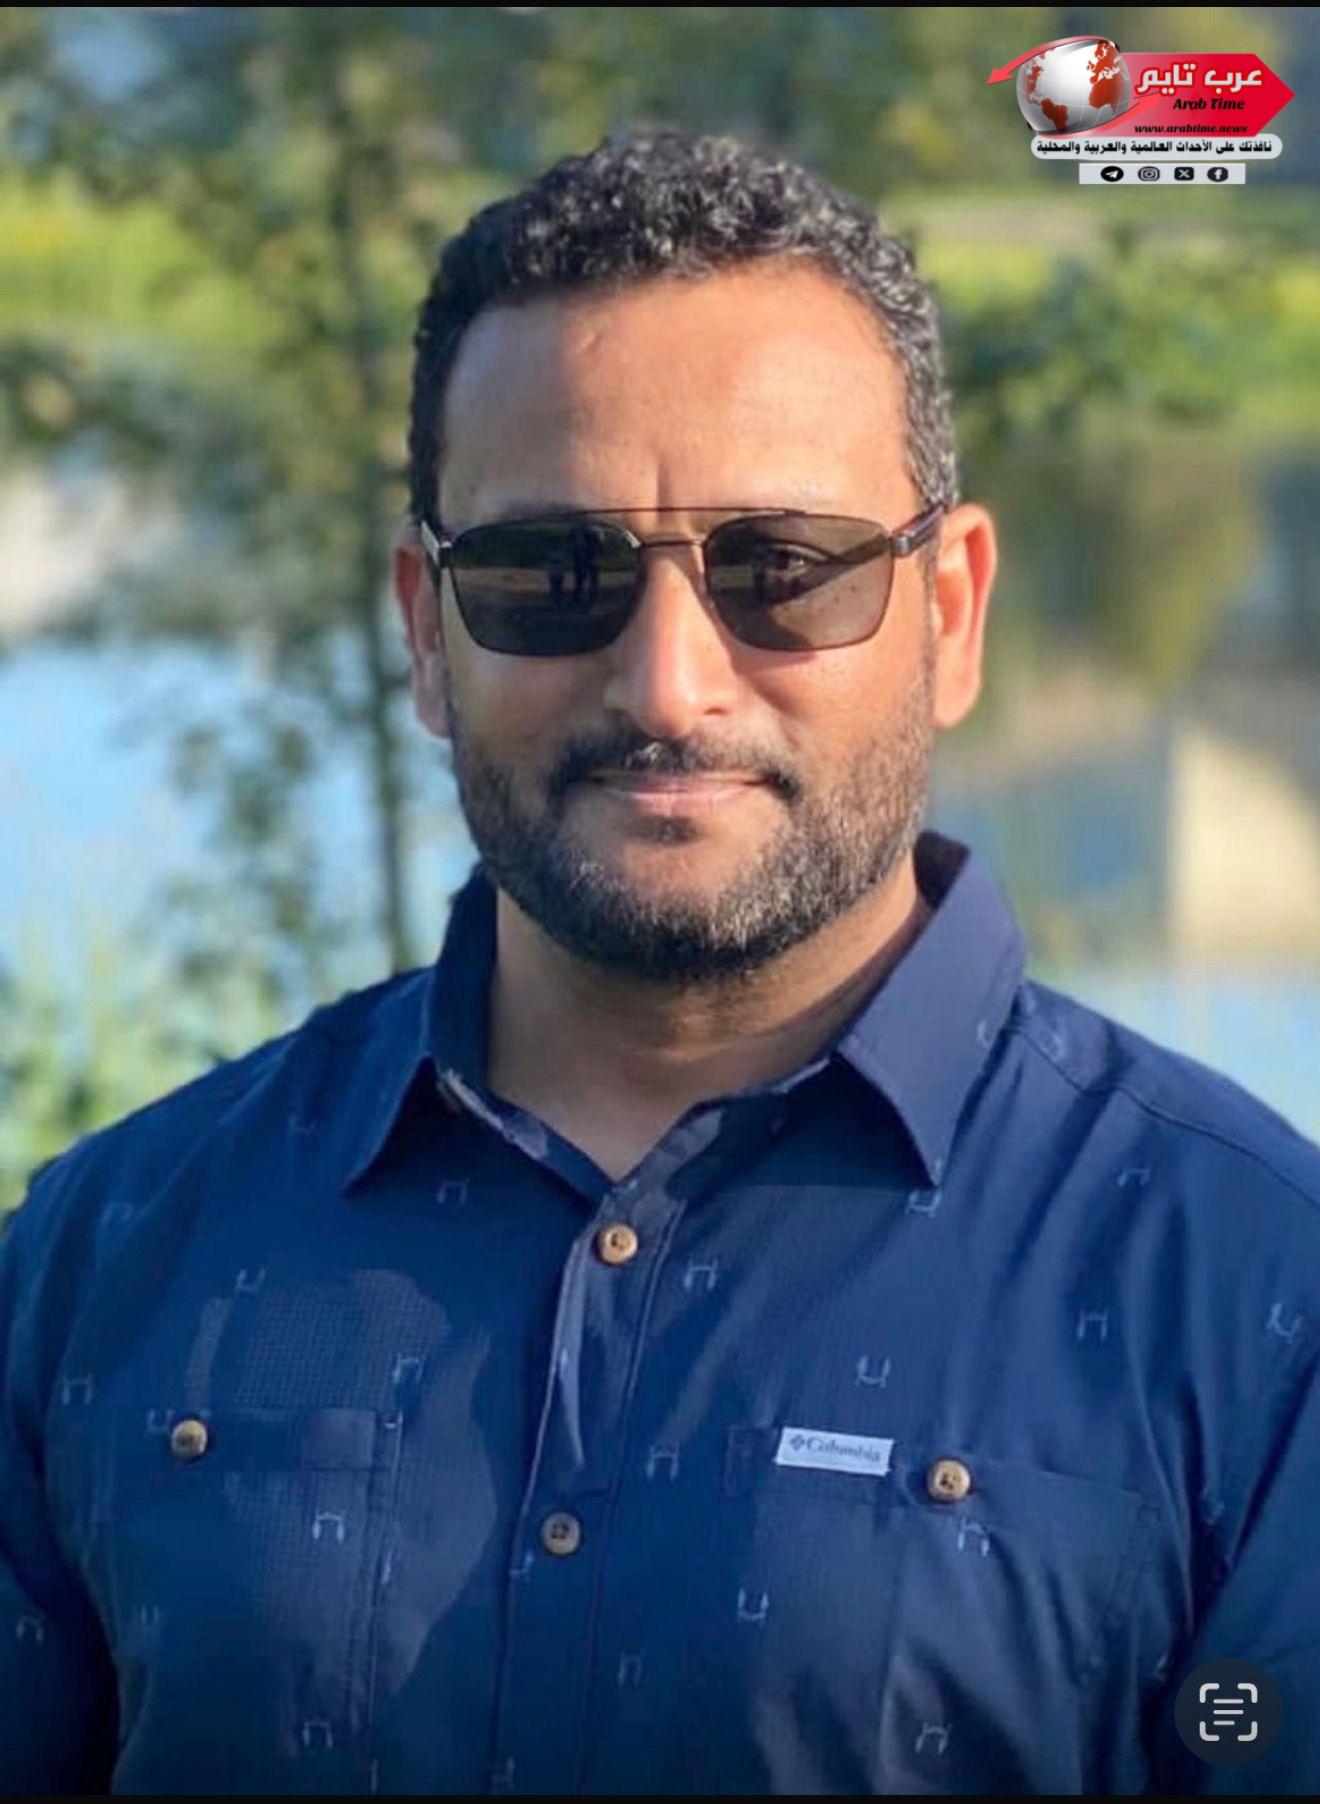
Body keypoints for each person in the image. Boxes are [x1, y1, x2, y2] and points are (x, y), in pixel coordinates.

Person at [2, 127, 1318, 1799]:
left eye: (785, 571)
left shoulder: (1253, 1294)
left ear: (953, 611)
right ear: (425, 628)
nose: (669, 685)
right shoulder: (110, 1253)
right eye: (552, 577)